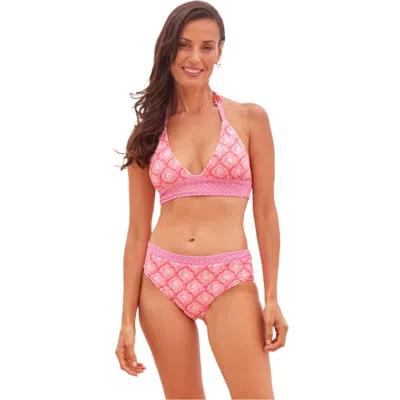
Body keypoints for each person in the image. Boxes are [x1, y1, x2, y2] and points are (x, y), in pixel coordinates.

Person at [115, 1, 288, 398]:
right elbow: (137, 232)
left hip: (229, 278)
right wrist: (126, 319)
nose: (194, 57)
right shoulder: (147, 133)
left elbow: (265, 211)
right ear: (168, 49)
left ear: (220, 51)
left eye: (206, 47)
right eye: (184, 44)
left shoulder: (250, 119)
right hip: (161, 280)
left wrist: (272, 297)